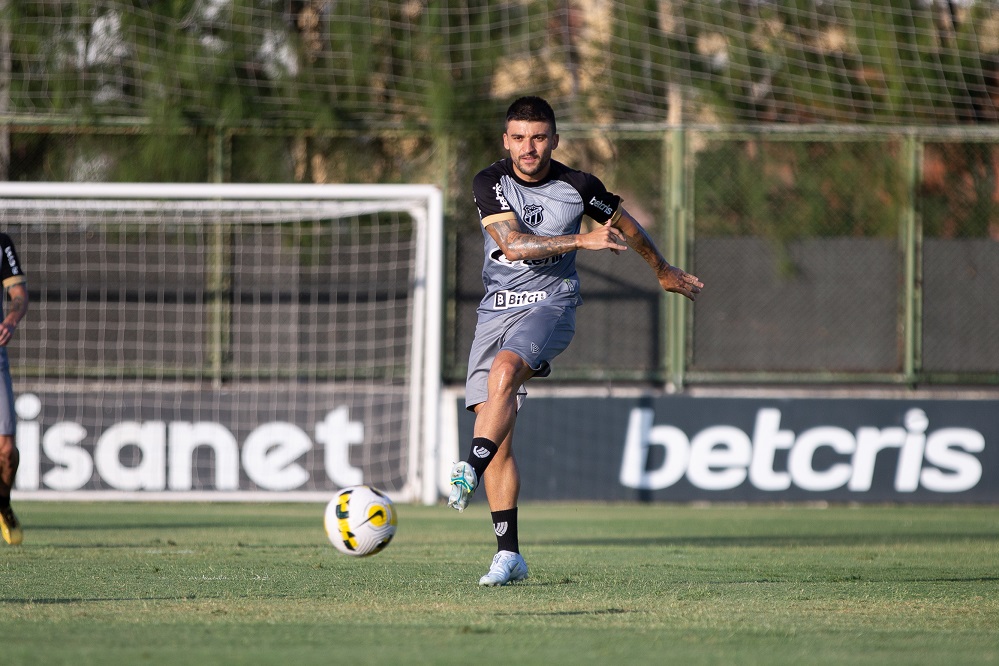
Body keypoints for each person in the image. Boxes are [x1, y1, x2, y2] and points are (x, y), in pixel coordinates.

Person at [448, 96, 703, 585]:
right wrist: (581, 240)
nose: (529, 147)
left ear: (555, 140)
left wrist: (663, 270)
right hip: (493, 312)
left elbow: (628, 225)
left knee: (505, 372)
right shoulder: (490, 182)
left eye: (539, 137)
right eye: (519, 137)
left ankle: (467, 470)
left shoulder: (578, 186)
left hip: (552, 303)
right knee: (497, 437)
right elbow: (512, 245)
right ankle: (509, 556)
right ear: (506, 141)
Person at [0, 233, 28, 546]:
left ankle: (3, 503)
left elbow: (18, 294)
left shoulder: (1, 243)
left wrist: (11, 318)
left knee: (7, 452)